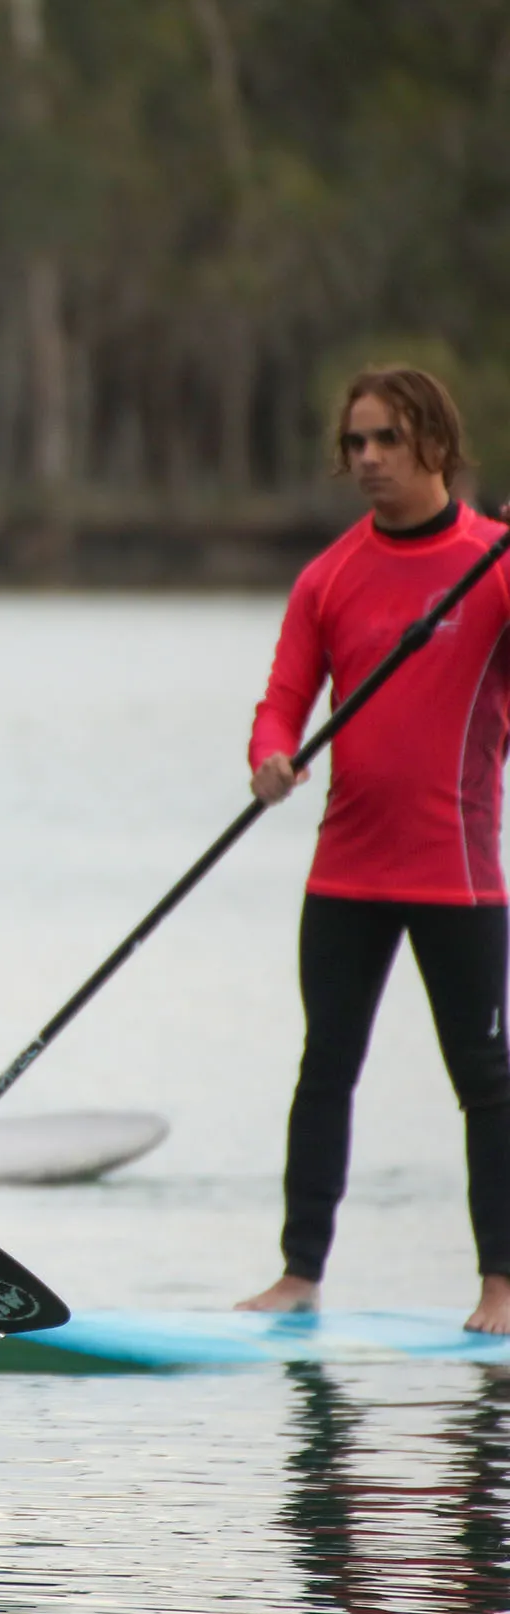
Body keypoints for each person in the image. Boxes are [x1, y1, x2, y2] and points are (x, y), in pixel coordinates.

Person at [237, 367, 510, 1336]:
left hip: (460, 879)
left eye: (386, 439)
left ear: (434, 443)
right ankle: (299, 1274)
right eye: (354, 443)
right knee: (327, 1069)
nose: (366, 459)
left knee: (486, 1082)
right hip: (345, 871)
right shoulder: (331, 575)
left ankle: (500, 1288)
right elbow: (282, 700)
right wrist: (271, 757)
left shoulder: (495, 564)